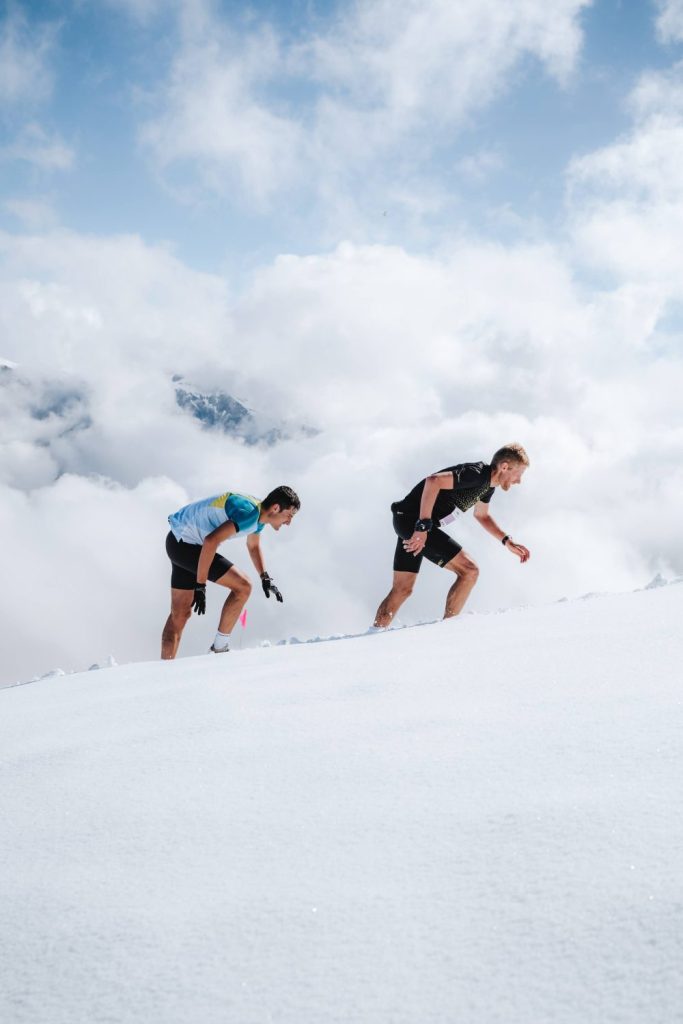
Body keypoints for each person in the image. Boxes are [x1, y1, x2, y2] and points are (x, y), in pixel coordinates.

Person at [373, 444, 530, 627]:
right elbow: (433, 481)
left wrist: (506, 540)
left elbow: (482, 515)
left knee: (402, 589)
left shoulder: (488, 485)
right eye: (519, 474)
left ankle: (374, 632)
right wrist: (422, 526)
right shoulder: (477, 474)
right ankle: (449, 629)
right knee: (469, 571)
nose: (518, 481)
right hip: (414, 523)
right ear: (504, 467)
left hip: (408, 522)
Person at [161, 485, 300, 658]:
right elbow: (211, 541)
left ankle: (164, 669)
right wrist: (200, 585)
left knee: (180, 615)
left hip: (177, 541)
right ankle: (219, 648)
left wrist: (265, 577)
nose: (289, 522)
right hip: (188, 546)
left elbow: (253, 545)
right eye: (289, 515)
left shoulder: (259, 512)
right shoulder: (249, 515)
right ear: (276, 508)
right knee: (243, 587)